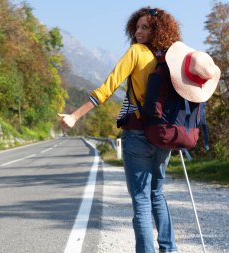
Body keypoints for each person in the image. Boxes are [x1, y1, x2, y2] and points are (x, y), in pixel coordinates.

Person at [58, 7, 180, 253]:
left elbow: (107, 88)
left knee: (142, 201)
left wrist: (74, 116)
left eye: (145, 27)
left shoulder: (136, 53)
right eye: (137, 27)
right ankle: (170, 250)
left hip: (137, 134)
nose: (138, 32)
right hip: (163, 136)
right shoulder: (169, 58)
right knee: (157, 194)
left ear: (157, 30)